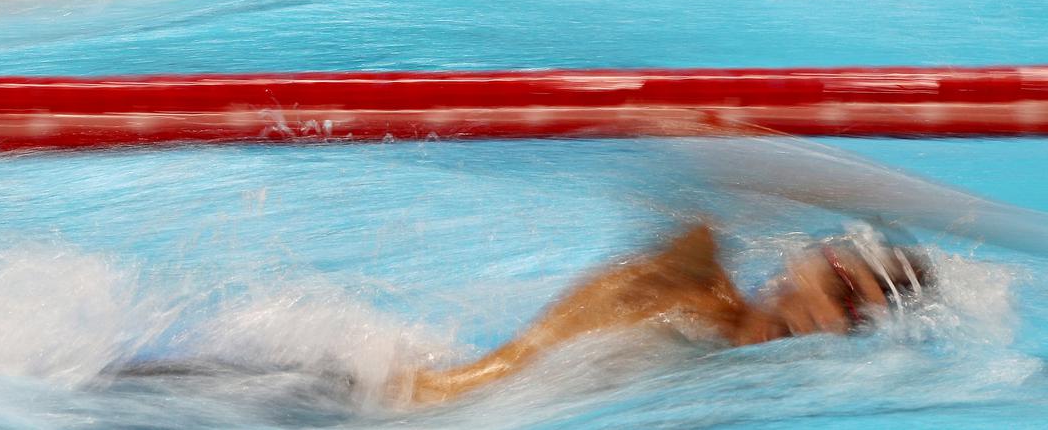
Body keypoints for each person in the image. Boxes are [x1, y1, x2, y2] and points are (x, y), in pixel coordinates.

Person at [390, 223, 930, 405]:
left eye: (855, 317)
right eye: (839, 287)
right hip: (390, 405)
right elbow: (708, 170)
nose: (830, 315)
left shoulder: (743, 376)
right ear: (807, 260)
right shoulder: (690, 284)